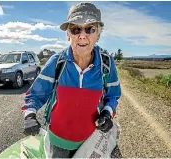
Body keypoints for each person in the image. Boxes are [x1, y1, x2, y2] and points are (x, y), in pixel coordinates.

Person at [21, 2, 121, 158]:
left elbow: (113, 95)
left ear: (98, 35)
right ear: (68, 35)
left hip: (91, 140)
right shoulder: (56, 62)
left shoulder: (107, 64)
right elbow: (35, 95)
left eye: (90, 29)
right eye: (75, 29)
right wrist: (29, 116)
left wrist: (107, 114)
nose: (82, 35)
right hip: (58, 142)